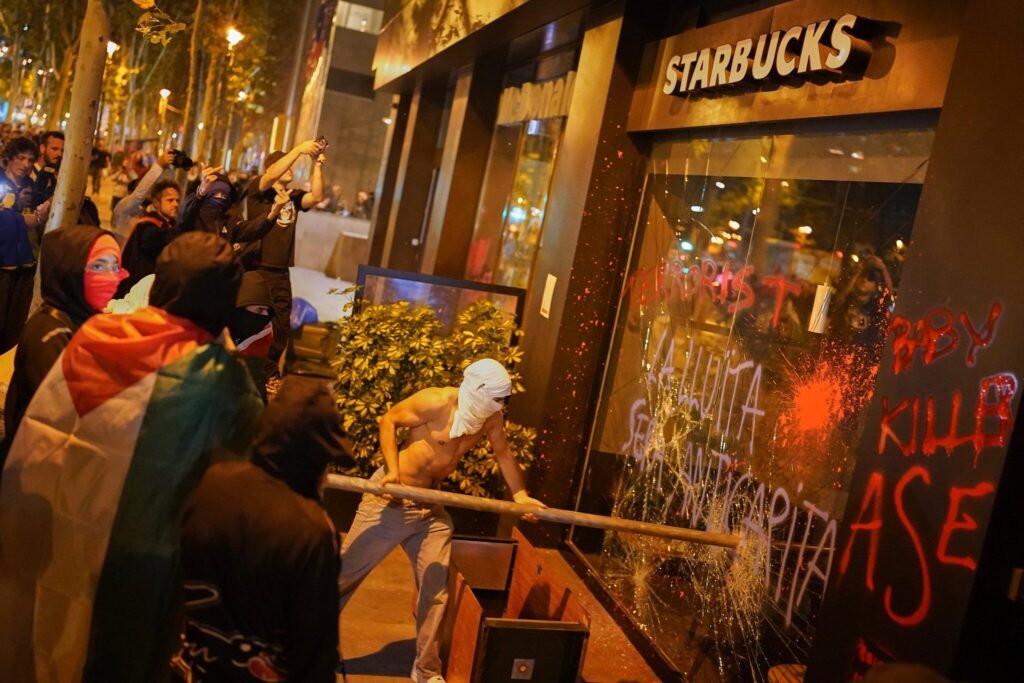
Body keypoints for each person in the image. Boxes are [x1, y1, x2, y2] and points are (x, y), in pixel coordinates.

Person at [0, 232, 263, 682]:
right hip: (142, 566)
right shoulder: (220, 381)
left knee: (49, 645)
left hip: (58, 536)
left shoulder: (94, 335)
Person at [338, 358, 544, 683]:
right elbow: (388, 420)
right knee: (342, 577)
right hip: (392, 500)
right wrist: (391, 471)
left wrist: (519, 496)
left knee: (436, 591)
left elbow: (503, 453)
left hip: (432, 508)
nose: (499, 405)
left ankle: (425, 670)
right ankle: (306, 645)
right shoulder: (436, 401)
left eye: (503, 400)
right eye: (495, 397)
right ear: (476, 389)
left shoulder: (490, 417)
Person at [179, 376, 351, 682]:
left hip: (204, 670)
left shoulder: (211, 485)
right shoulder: (310, 530)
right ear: (313, 456)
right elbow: (313, 647)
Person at [1, 226, 126, 464]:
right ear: (69, 272)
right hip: (35, 465)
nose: (110, 277)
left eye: (115, 267)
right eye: (98, 266)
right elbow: (62, 414)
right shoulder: (48, 332)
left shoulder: (82, 319)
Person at [242, 140, 325, 382]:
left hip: (281, 272)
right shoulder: (259, 193)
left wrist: (317, 165)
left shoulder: (294, 196)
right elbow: (269, 176)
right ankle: (249, 372)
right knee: (254, 322)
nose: (291, 168)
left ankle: (270, 374)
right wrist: (298, 150)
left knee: (281, 326)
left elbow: (317, 196)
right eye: (286, 164)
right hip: (258, 270)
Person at [0, 137, 51, 351]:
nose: (26, 164)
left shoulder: (31, 186)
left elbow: (34, 219)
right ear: (9, 159)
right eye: (21, 158)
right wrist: (22, 219)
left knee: (14, 321)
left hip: (25, 263)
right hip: (2, 262)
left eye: (30, 160)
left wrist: (40, 213)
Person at [117, 178, 181, 295]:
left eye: (177, 200)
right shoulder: (148, 226)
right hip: (140, 291)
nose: (175, 204)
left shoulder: (170, 225)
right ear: (156, 203)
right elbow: (154, 241)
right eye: (170, 200)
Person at [228, 271, 275, 399]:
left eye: (267, 310)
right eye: (260, 310)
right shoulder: (216, 340)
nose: (265, 316)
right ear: (240, 310)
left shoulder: (261, 339)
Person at [111, 149, 176, 237]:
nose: (148, 192)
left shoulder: (148, 213)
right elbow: (139, 194)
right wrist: (159, 165)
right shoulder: (124, 208)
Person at [32, 130, 64, 206]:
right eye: (54, 149)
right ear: (42, 148)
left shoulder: (60, 177)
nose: (59, 154)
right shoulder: (28, 172)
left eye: (62, 150)